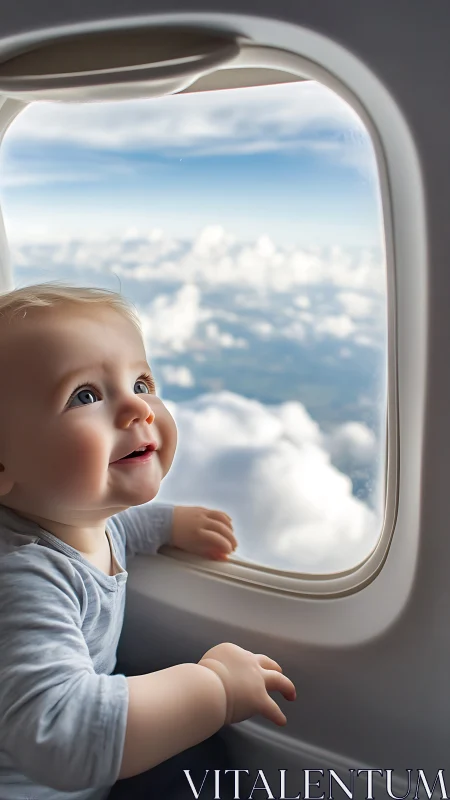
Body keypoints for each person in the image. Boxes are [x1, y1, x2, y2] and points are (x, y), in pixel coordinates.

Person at [0, 282, 297, 800]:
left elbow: (116, 527)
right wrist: (217, 691)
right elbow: (57, 735)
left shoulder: (71, 514)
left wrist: (167, 524)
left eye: (140, 382)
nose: (138, 410)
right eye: (85, 395)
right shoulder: (25, 580)